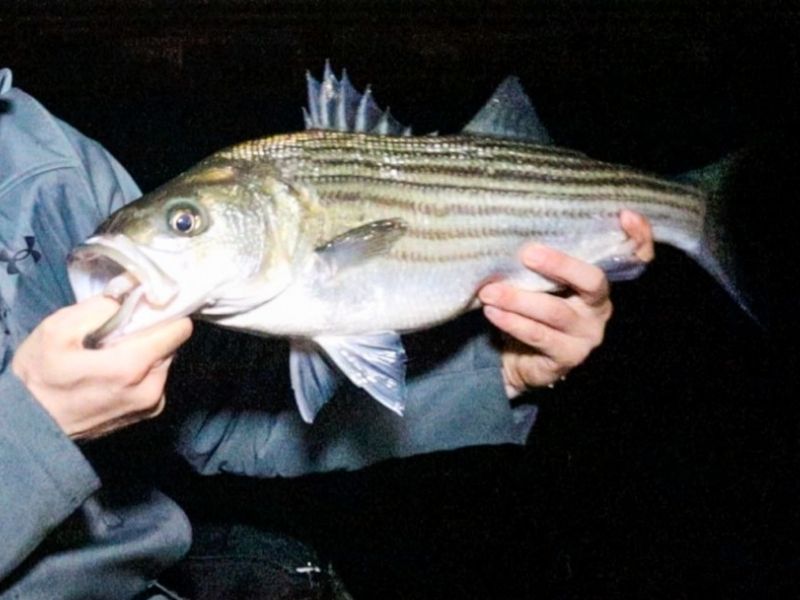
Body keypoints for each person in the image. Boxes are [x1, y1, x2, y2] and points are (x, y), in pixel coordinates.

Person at [0, 68, 654, 599]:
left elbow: (218, 422)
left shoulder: (45, 155)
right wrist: (33, 431)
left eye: (182, 224)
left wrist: (502, 372)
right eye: (185, 225)